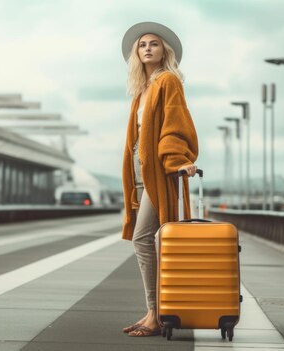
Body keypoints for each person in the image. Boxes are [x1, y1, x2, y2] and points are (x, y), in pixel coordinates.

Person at [119, 22, 199, 337]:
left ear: (164, 49)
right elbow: (137, 136)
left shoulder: (168, 81)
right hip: (140, 169)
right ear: (136, 54)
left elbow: (175, 122)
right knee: (154, 240)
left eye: (154, 43)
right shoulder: (142, 89)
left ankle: (157, 312)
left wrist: (177, 159)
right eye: (142, 45)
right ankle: (154, 310)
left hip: (158, 168)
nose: (148, 48)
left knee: (144, 238)